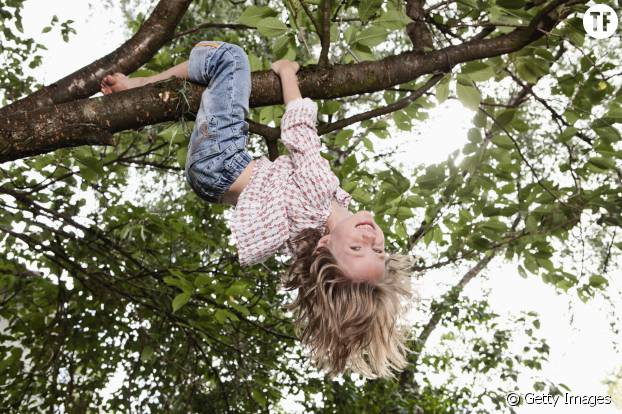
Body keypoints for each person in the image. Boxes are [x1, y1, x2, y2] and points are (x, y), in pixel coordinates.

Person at [101, 40, 414, 378]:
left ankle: (139, 85)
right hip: (214, 177)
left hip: (221, 160)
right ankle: (147, 86)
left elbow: (299, 130)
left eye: (357, 248)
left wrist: (286, 72)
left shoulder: (320, 196)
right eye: (378, 249)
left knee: (230, 58)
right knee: (218, 78)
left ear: (325, 247)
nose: (369, 238)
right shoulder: (315, 224)